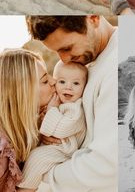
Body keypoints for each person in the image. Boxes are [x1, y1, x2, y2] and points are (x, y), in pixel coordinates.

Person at [26, 15, 118, 192]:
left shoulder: (117, 67)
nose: (64, 59)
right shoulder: (80, 60)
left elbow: (106, 165)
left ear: (93, 18)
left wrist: (39, 172)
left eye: (67, 48)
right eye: (57, 52)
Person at [18, 61, 87, 192]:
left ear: (84, 86)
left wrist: (51, 111)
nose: (68, 87)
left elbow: (62, 129)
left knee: (37, 158)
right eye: (62, 82)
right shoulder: (58, 102)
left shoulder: (75, 108)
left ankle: (26, 189)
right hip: (55, 147)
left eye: (76, 83)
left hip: (65, 149)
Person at [0, 49, 55, 192]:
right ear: (23, 93)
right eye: (44, 81)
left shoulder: (27, 126)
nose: (53, 81)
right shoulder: (2, 150)